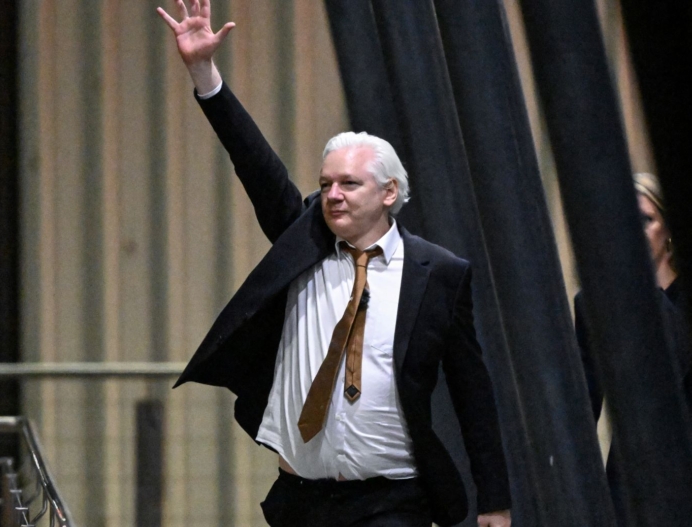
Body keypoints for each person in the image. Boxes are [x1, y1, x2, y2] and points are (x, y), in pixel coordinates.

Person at [158, 1, 511, 525]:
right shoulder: (305, 239)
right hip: (303, 499)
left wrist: (495, 501)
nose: (333, 196)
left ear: (390, 192)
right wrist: (204, 74)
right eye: (325, 184)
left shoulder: (439, 273)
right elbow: (255, 162)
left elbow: (472, 390)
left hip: (396, 498)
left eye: (350, 184)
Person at [575, 172, 691, 525]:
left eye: (645, 220)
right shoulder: (595, 303)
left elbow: (677, 358)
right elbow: (585, 401)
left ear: (668, 229)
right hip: (630, 474)